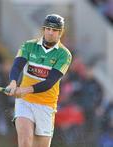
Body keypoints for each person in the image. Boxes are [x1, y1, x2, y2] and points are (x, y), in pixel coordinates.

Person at [5, 14, 72, 147]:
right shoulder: (28, 46)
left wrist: (25, 89)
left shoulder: (64, 55)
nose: (50, 33)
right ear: (43, 29)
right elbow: (17, 66)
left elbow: (49, 82)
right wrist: (13, 82)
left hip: (46, 105)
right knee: (25, 142)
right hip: (25, 102)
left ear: (60, 32)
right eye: (48, 29)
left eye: (54, 30)